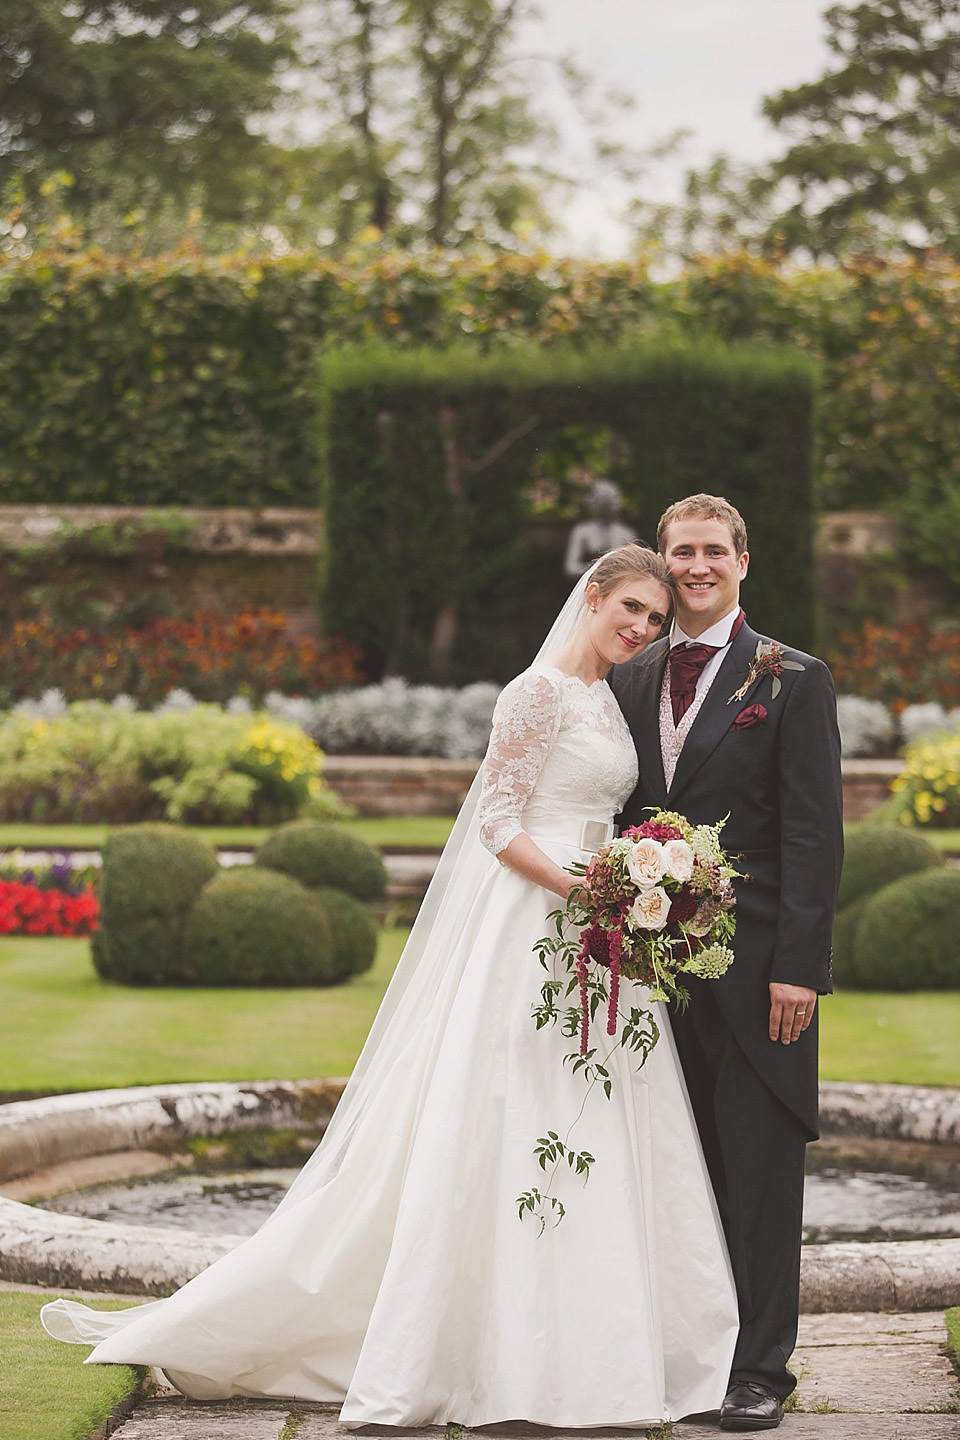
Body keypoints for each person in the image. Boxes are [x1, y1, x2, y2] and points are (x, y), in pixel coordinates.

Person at [42, 544, 739, 1428]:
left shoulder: (607, 695)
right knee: (511, 1109)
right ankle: (478, 1352)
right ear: (591, 597)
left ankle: (590, 1353)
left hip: (602, 932)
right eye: (629, 608)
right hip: (534, 922)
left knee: (599, 1113)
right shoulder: (534, 693)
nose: (640, 628)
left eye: (652, 618)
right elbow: (495, 821)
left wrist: (638, 885)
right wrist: (587, 889)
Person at [609, 496, 843, 1433]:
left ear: (744, 560)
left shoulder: (793, 678)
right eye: (681, 553)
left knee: (758, 1172)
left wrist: (800, 967)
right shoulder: (628, 677)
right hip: (648, 975)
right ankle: (686, 1355)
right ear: (662, 566)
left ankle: (760, 1373)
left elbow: (814, 834)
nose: (697, 565)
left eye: (714, 551)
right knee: (672, 1171)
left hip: (757, 980)